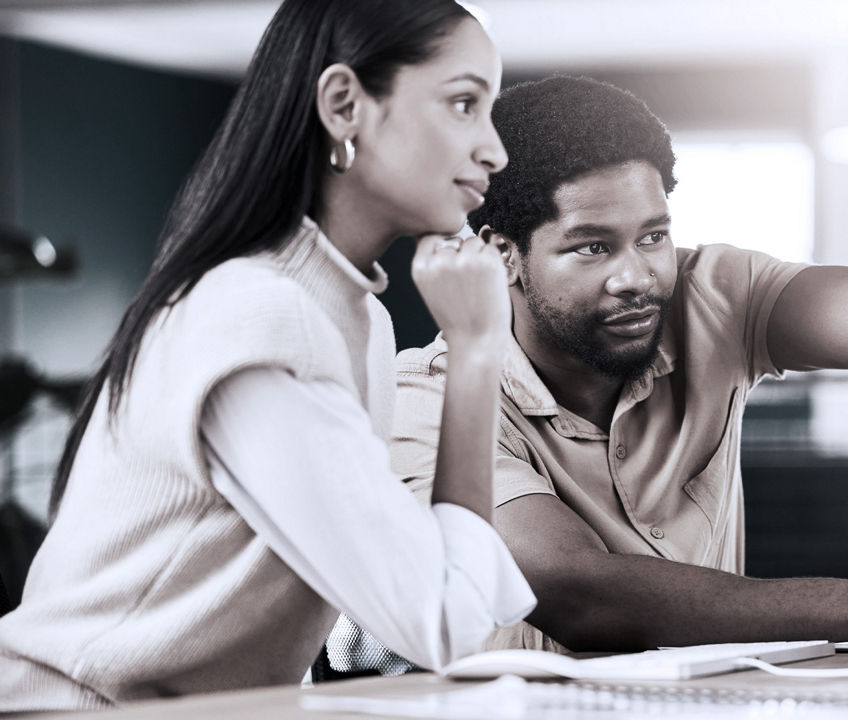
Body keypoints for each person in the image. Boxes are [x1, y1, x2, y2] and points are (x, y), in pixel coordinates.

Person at [380, 74, 848, 660]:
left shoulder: (710, 294)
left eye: (653, 236)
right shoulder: (437, 396)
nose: (636, 275)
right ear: (503, 254)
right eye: (592, 248)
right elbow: (577, 593)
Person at [0, 0, 534, 711]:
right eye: (464, 103)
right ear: (345, 105)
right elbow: (440, 621)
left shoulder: (359, 321)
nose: (494, 150)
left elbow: (423, 605)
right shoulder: (258, 314)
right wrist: (473, 352)